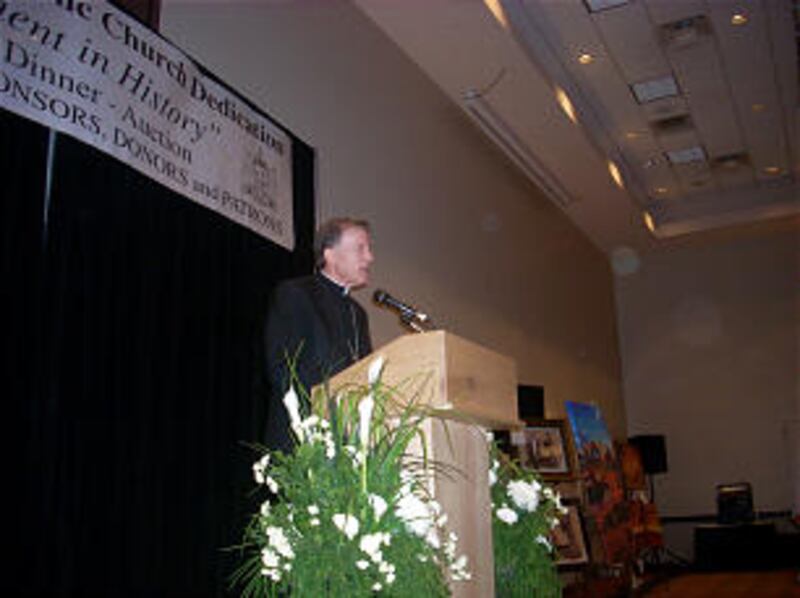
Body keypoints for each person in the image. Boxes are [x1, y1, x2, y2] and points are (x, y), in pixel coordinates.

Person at [264, 217, 374, 451]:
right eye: (360, 249)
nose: (369, 257)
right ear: (331, 255)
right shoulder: (296, 294)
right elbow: (283, 368)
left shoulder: (358, 314)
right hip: (303, 440)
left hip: (349, 442)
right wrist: (325, 412)